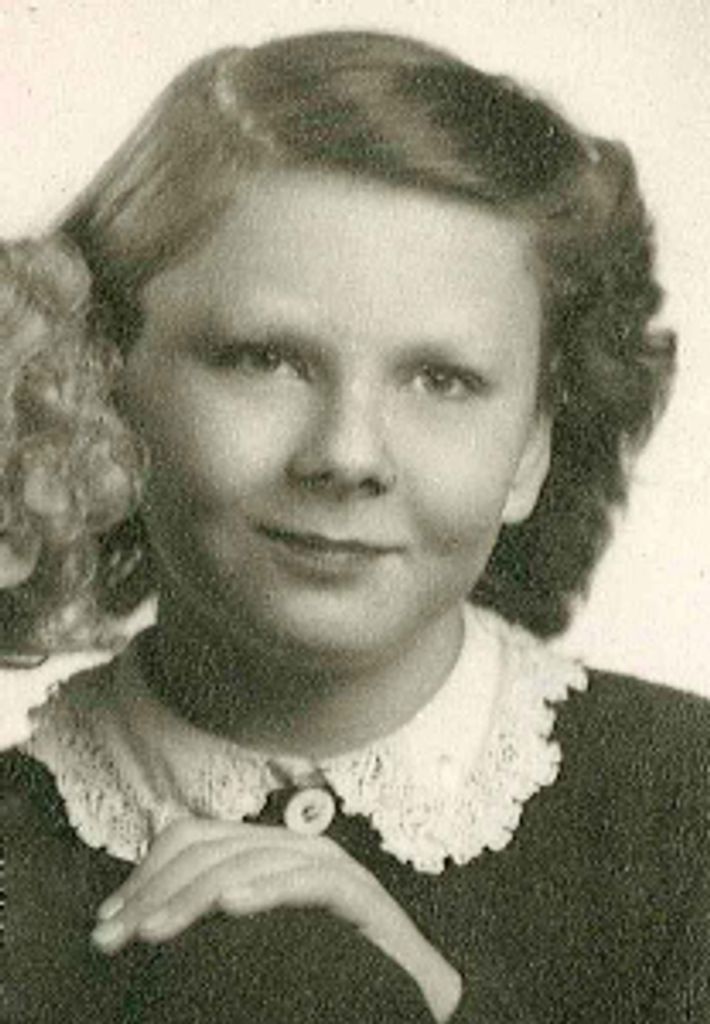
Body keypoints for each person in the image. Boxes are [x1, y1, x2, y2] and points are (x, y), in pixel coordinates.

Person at [1, 28, 708, 1024]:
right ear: (100, 390)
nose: (346, 454)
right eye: (263, 359)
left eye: (441, 380)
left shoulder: (681, 804)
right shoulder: (19, 853)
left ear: (530, 448)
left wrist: (431, 998)